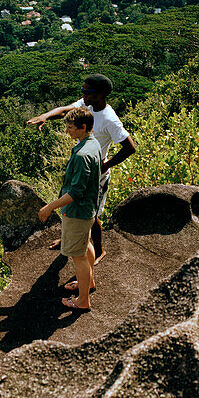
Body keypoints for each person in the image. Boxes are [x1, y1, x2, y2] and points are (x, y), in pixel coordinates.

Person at [28, 74, 136, 265]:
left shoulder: (109, 119)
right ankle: (69, 237)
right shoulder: (88, 105)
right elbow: (65, 111)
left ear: (101, 94)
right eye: (83, 92)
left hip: (96, 175)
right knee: (70, 204)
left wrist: (104, 165)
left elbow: (130, 148)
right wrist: (45, 116)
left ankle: (100, 250)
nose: (83, 96)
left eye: (88, 93)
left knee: (91, 215)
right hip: (80, 167)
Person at [38, 106, 101, 312]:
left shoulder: (83, 154)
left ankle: (83, 300)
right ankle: (88, 283)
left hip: (78, 211)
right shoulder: (93, 144)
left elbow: (75, 192)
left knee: (78, 256)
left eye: (71, 127)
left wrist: (50, 207)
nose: (67, 131)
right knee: (86, 244)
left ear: (83, 127)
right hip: (89, 208)